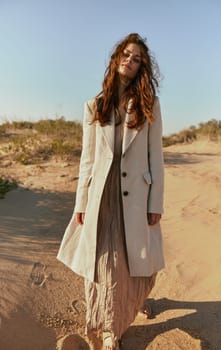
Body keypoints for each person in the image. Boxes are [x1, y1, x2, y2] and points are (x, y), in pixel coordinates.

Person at [57, 33, 165, 350]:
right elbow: (87, 160)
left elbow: (155, 158)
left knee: (139, 265)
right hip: (101, 199)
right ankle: (109, 330)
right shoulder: (95, 106)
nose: (131, 62)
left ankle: (129, 305)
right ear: (116, 58)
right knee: (104, 265)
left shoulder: (149, 105)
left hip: (135, 198)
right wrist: (81, 202)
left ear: (141, 67)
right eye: (127, 55)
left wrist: (155, 201)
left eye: (137, 59)